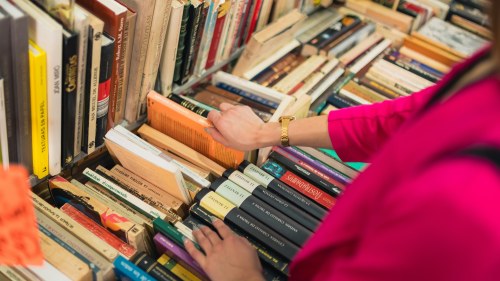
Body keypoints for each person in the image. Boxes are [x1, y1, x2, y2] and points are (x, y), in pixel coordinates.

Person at [183, 5, 500, 281]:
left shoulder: (464, 209)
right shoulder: (489, 66)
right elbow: (401, 118)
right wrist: (267, 133)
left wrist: (245, 277)